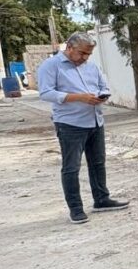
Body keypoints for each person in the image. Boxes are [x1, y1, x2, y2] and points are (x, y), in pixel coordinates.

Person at [37, 32, 130, 224]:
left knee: (98, 163)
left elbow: (103, 86)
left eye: (88, 54)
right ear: (69, 48)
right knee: (71, 167)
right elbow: (46, 93)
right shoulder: (51, 66)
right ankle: (76, 208)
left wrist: (102, 95)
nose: (85, 58)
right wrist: (78, 97)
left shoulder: (92, 67)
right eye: (81, 53)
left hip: (95, 120)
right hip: (70, 123)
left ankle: (101, 199)